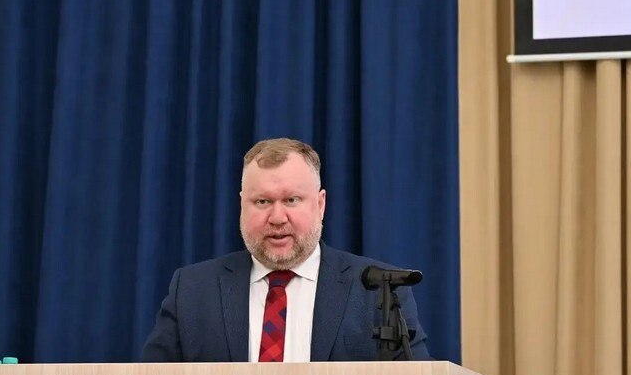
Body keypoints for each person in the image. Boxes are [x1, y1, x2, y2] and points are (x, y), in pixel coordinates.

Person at [141, 137, 430, 363]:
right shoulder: (192, 290)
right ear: (242, 205)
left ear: (320, 204)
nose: (277, 218)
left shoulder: (379, 290)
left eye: (291, 200)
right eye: (262, 202)